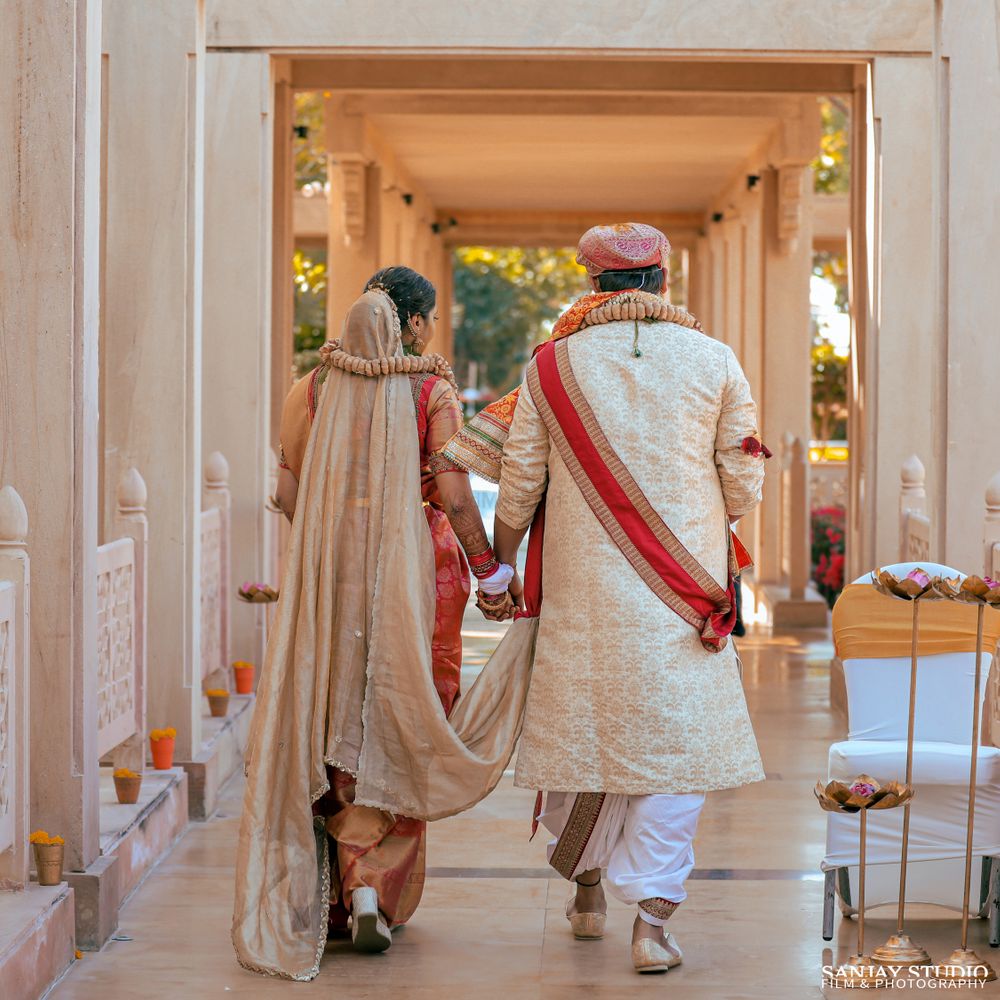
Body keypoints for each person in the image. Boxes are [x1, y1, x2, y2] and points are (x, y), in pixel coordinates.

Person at [458, 223, 768, 974]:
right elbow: (745, 482)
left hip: (581, 591)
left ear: (590, 283)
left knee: (582, 734)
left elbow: (521, 481)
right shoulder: (715, 360)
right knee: (677, 751)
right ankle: (652, 928)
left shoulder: (552, 366)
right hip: (683, 590)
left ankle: (588, 887)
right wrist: (696, 515)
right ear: (662, 279)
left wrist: (501, 570)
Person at [233, 267, 519, 979]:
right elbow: (454, 493)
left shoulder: (316, 386)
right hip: (419, 573)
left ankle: (335, 894)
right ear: (414, 324)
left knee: (331, 710)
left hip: (329, 571)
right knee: (406, 712)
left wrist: (330, 550)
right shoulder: (430, 389)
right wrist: (489, 571)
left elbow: (286, 487)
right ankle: (373, 890)